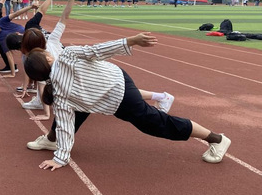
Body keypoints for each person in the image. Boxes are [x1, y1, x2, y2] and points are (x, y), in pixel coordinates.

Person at [23, 33, 231, 170]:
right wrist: (130, 40)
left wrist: (60, 159)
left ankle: (217, 139)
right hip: (112, 82)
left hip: (119, 96)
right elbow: (98, 50)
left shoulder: (60, 95)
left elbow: (66, 125)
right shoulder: (66, 57)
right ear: (47, 58)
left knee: (155, 123)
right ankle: (52, 140)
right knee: (74, 110)